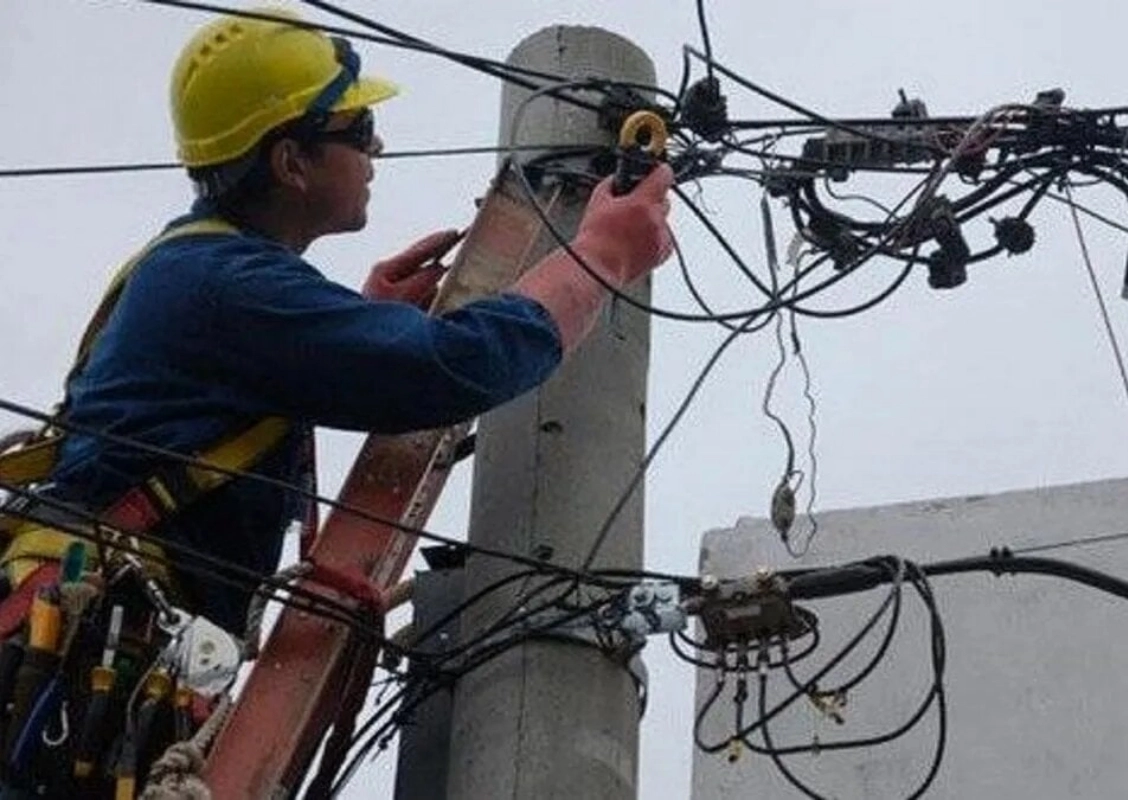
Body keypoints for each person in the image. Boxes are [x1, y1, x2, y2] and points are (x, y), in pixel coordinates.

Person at [0, 10, 672, 797]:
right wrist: (598, 257)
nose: (377, 149)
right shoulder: (222, 286)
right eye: (360, 128)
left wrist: (355, 323)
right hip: (80, 666)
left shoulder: (197, 273)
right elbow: (456, 365)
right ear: (291, 160)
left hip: (95, 657)